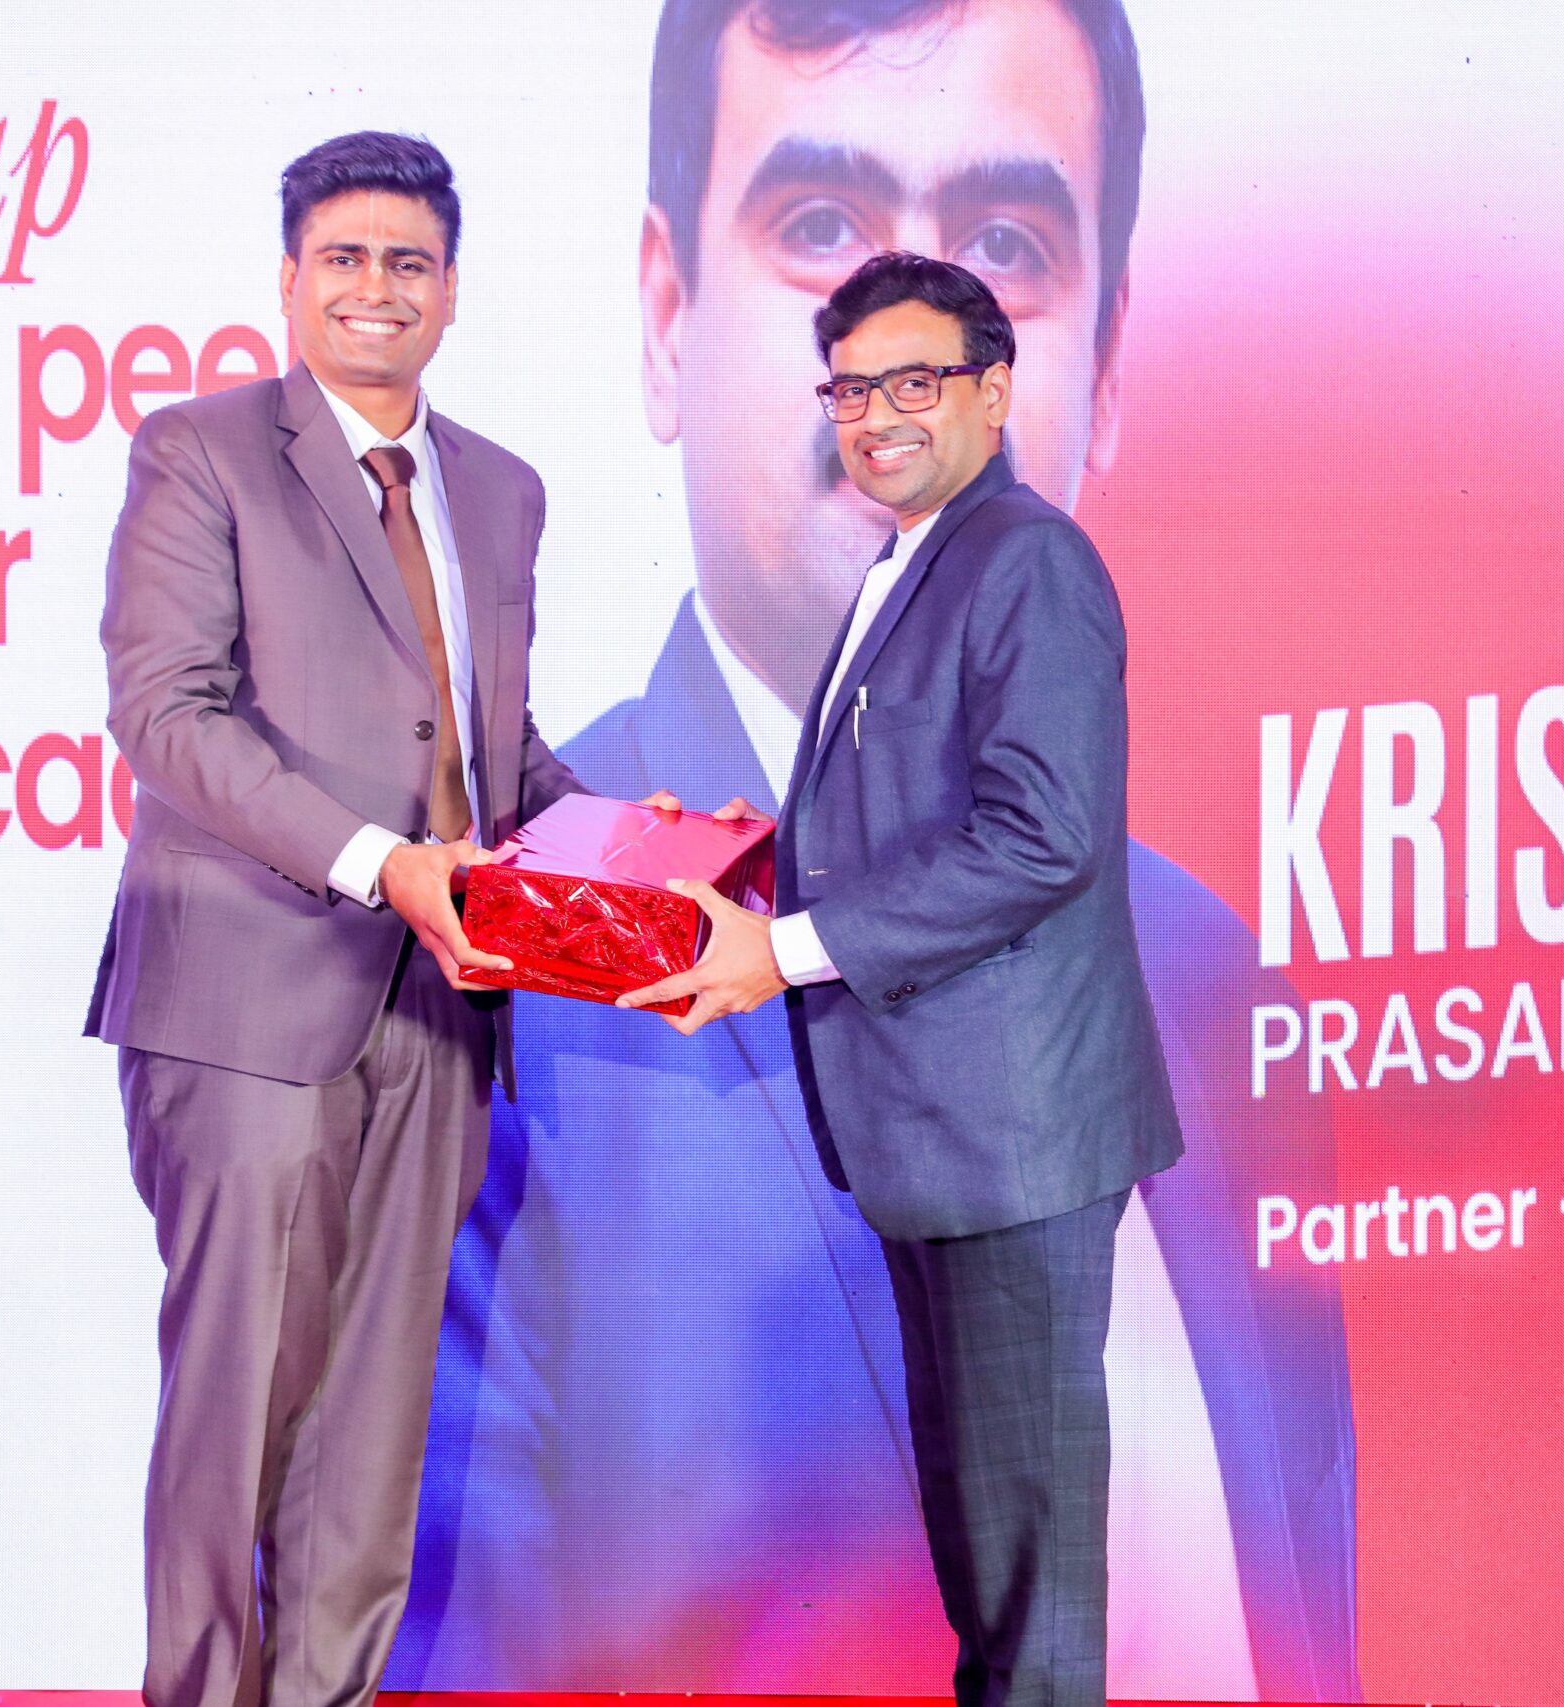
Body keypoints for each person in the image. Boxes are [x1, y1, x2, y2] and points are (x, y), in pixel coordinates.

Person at [400, 3, 1360, 1701]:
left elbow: (1289, 1608)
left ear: (1080, 375)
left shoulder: (1214, 969)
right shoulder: (540, 944)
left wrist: (779, 945)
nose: (882, 409)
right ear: (668, 317)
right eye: (821, 225)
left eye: (1006, 248)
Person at [623, 245, 1177, 1707]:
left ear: (995, 391)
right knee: (992, 1562)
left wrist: (781, 949)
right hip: (947, 1137)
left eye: (915, 381)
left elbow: (1041, 836)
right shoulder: (914, 560)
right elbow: (916, 816)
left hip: (1010, 1140)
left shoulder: (1025, 559)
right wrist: (751, 857)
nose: (877, 415)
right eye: (853, 389)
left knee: (1027, 1581)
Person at [84, 131, 590, 1707]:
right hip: (247, 1005)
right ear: (292, 281)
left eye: (408, 261)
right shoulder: (202, 452)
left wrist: (640, 850)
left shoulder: (500, 490)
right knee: (238, 1408)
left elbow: (490, 753)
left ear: (452, 289)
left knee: (374, 1433)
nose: (379, 288)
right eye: (346, 259)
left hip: (443, 1007)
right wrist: (380, 861)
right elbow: (169, 716)